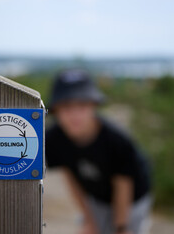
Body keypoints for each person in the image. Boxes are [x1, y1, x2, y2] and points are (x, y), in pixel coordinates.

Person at [45, 69, 152, 234]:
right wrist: (88, 218)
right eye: (66, 107)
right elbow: (70, 176)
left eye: (81, 105)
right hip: (96, 197)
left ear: (94, 106)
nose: (74, 115)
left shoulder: (116, 140)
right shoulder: (53, 139)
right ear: (55, 110)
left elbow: (123, 183)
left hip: (132, 200)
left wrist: (121, 227)